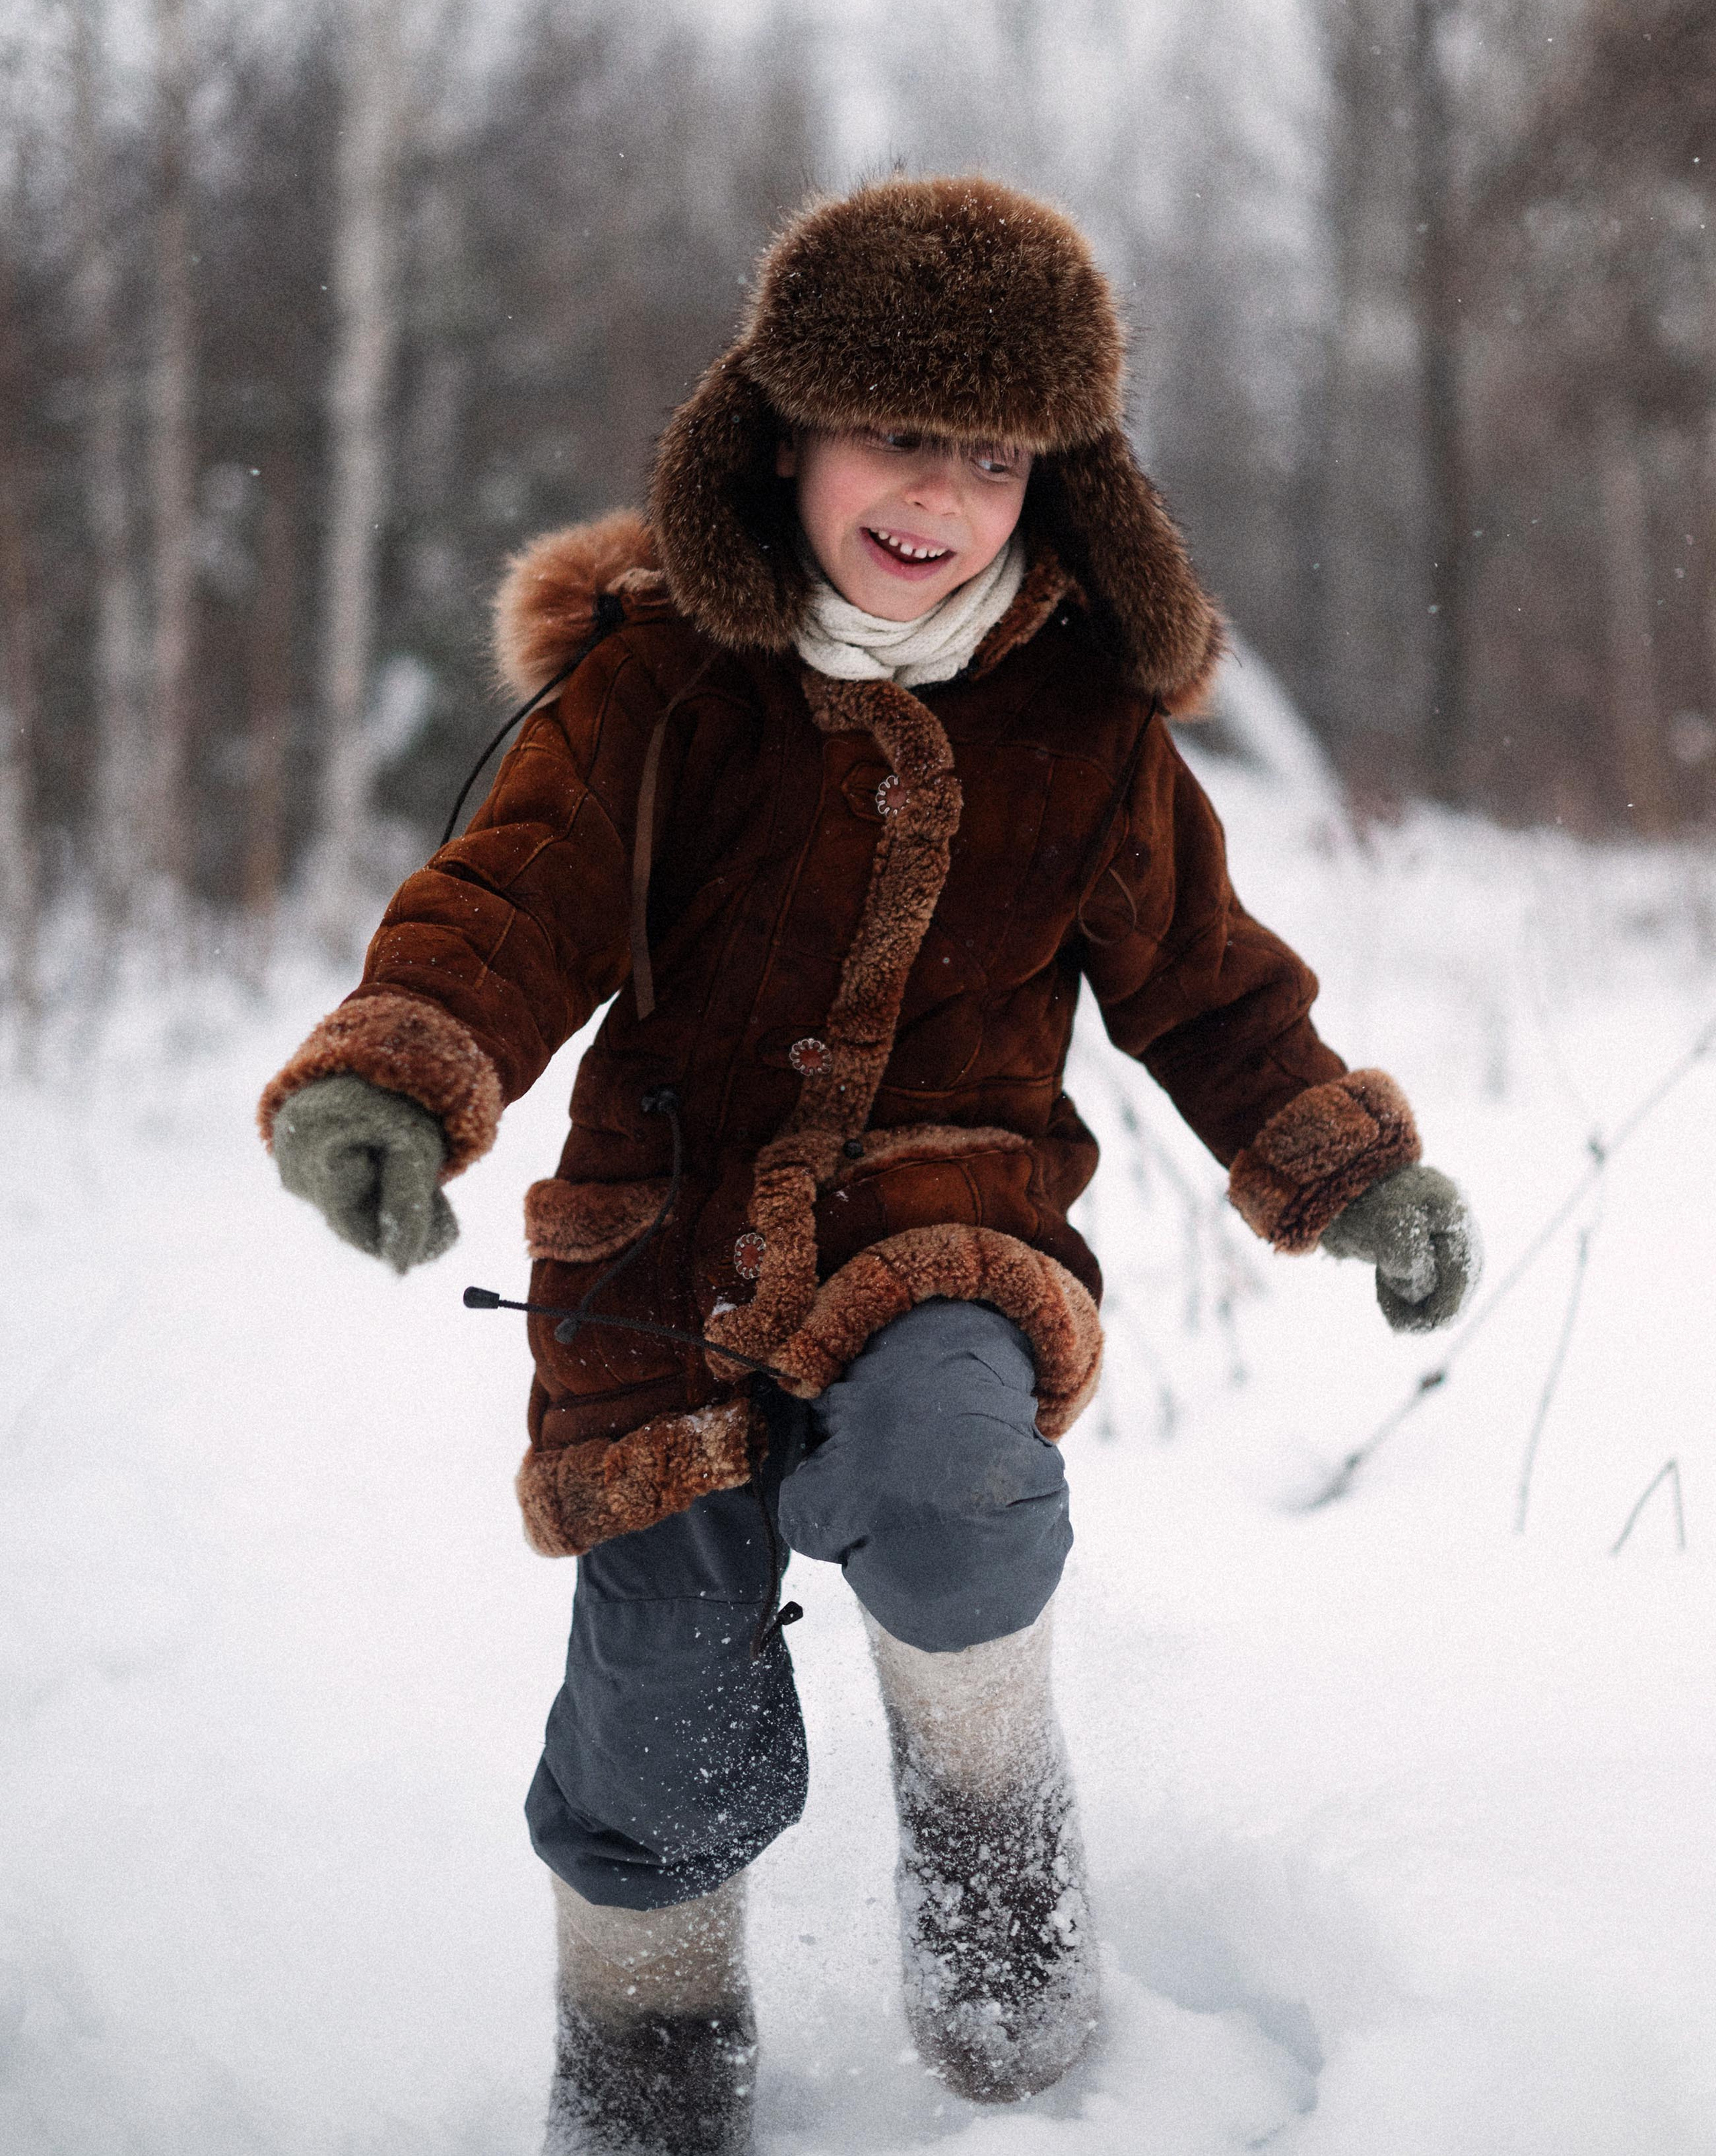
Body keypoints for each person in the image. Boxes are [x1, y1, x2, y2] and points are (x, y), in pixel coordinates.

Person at [260, 176, 1478, 2156]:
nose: (939, 495)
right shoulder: (665, 684)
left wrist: (1348, 1169)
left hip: (946, 1221)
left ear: (1055, 477)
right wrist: (399, 1080)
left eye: (993, 457)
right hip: (659, 1258)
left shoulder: (1082, 722)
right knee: (663, 1717)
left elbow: (1209, 985)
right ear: (784, 437)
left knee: (950, 1477)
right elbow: (513, 901)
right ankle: (650, 2073)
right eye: (897, 435)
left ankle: (997, 1870)